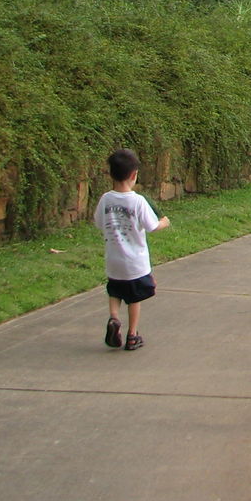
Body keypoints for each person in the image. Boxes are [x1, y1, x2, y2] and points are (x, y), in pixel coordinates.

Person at [94, 148, 170, 351]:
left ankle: (113, 318)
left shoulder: (105, 199)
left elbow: (99, 223)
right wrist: (164, 221)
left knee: (115, 291)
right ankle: (132, 334)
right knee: (134, 298)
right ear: (133, 175)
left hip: (114, 260)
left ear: (111, 174)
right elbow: (152, 226)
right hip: (135, 262)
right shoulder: (138, 201)